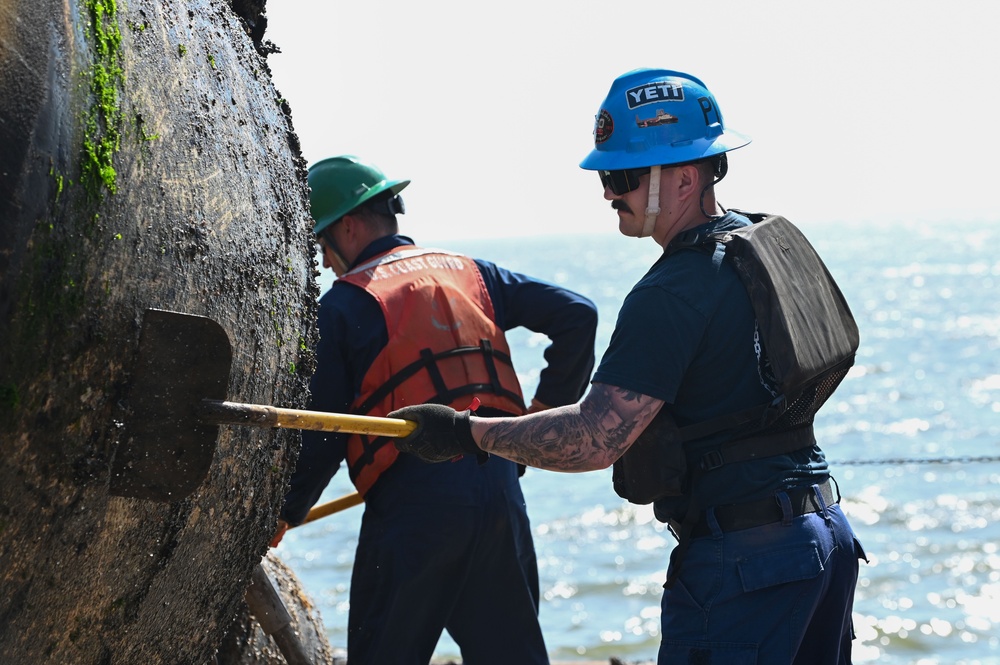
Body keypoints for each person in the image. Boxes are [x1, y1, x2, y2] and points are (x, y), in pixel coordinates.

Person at [391, 69, 867, 664]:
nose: (609, 192)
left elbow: (595, 438)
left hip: (748, 563)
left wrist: (465, 432)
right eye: (606, 176)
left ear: (686, 177)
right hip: (823, 539)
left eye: (623, 176)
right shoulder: (753, 246)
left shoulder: (672, 290)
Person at [273, 154, 598, 665]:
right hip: (498, 493)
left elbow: (323, 432)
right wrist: (536, 422)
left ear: (349, 226)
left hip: (415, 508)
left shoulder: (345, 305)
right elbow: (579, 314)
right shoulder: (472, 273)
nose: (326, 262)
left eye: (323, 245)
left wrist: (286, 511)